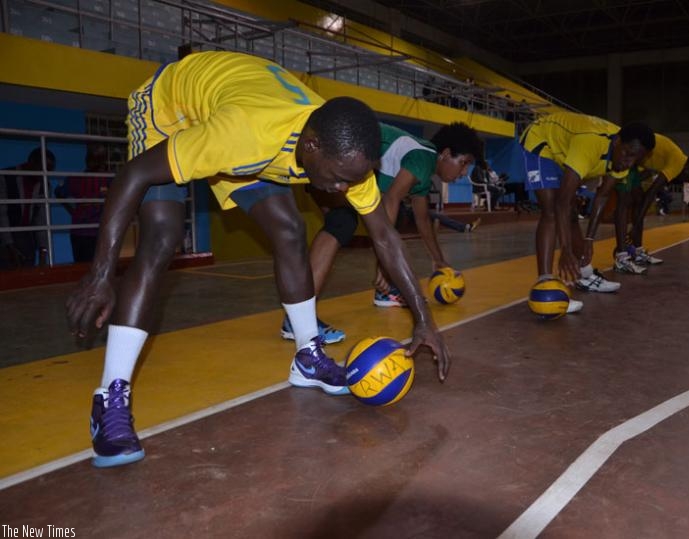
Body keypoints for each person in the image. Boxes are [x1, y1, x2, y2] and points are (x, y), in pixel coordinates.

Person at [65, 51, 451, 468]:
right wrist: (100, 273)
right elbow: (133, 175)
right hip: (170, 105)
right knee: (162, 236)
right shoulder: (244, 135)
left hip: (242, 112)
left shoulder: (346, 159)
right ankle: (109, 399)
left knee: (288, 228)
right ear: (312, 145)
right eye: (338, 177)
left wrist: (424, 319)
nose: (343, 188)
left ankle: (308, 357)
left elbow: (385, 236)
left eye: (352, 180)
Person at [287, 121, 482, 343]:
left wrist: (439, 261)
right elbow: (392, 198)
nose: (464, 172)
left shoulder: (423, 173)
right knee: (342, 222)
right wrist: (384, 263)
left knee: (354, 220)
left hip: (332, 157)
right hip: (327, 156)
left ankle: (385, 291)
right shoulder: (424, 156)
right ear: (445, 154)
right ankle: (297, 320)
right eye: (464, 163)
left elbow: (422, 219)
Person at [519, 112, 655, 302]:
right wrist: (565, 249)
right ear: (617, 142)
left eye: (635, 160)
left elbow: (603, 196)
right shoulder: (590, 144)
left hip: (567, 150)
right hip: (542, 140)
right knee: (551, 209)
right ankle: (544, 284)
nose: (628, 163)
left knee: (572, 214)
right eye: (627, 154)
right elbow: (562, 203)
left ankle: (583, 274)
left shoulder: (622, 159)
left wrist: (589, 239)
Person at [614, 134, 689, 270]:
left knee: (638, 202)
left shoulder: (675, 160)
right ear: (688, 169)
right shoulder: (678, 163)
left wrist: (636, 225)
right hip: (628, 154)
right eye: (687, 177)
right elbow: (651, 192)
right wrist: (635, 227)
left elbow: (650, 171)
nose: (684, 180)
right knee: (624, 202)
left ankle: (637, 252)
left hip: (637, 162)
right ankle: (621, 257)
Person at [0, 148, 55, 268]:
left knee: (27, 271)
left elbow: (41, 219)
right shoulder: (6, 177)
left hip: (26, 236)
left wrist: (43, 251)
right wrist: (9, 245)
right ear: (31, 162)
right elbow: (1, 214)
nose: (44, 173)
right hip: (5, 233)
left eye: (49, 170)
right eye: (42, 168)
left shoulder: (44, 184)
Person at [58, 144, 110, 262]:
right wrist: (72, 210)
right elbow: (59, 193)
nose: (97, 163)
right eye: (94, 159)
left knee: (97, 267)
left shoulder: (109, 178)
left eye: (100, 159)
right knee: (83, 268)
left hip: (99, 232)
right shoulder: (76, 179)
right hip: (81, 232)